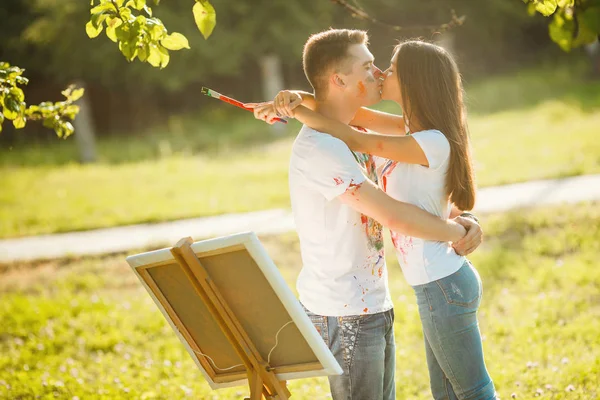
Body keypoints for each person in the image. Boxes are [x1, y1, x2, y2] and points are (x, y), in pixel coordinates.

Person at [247, 30, 484, 400]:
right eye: (370, 66)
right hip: (346, 309)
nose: (378, 74)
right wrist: (457, 230)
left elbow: (355, 124)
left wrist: (298, 105)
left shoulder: (372, 132)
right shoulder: (322, 147)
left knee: (459, 391)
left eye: (383, 67)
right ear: (340, 79)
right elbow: (393, 212)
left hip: (376, 300)